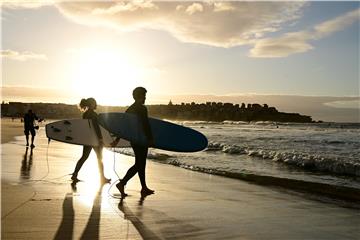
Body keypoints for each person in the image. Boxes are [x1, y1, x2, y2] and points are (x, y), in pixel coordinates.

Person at [115, 87, 155, 197]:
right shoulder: (142, 108)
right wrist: (150, 138)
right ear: (139, 96)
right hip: (142, 139)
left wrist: (116, 139)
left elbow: (123, 126)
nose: (145, 98)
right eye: (144, 95)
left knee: (141, 164)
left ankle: (143, 187)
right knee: (139, 164)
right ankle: (122, 183)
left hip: (134, 140)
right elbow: (145, 124)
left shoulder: (130, 109)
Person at [71, 98, 111, 184]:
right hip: (95, 139)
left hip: (88, 138)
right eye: (94, 103)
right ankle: (102, 177)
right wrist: (100, 139)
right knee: (100, 158)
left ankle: (75, 174)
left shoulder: (85, 114)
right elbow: (96, 127)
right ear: (91, 104)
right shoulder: (93, 114)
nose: (96, 104)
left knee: (84, 157)